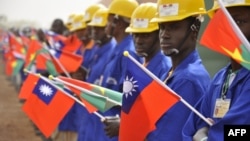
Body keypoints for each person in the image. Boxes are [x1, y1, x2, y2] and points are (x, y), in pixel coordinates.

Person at [182, 1, 250, 141]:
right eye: (224, 23)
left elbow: (241, 132)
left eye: (239, 21)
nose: (231, 30)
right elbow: (191, 128)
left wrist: (207, 135)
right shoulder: (221, 77)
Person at [103, 2, 172, 138]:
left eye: (145, 35)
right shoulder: (145, 64)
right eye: (136, 34)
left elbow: (159, 118)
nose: (138, 41)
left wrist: (125, 124)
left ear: (160, 34)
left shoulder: (163, 68)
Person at [145, 0, 210, 140]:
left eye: (174, 27)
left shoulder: (188, 79)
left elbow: (167, 136)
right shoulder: (171, 73)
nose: (164, 35)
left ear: (195, 29)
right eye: (162, 27)